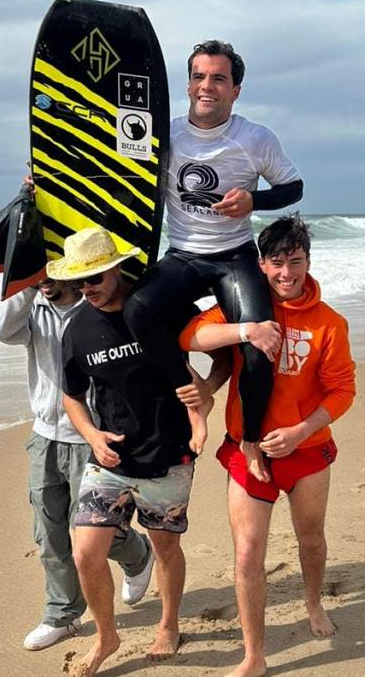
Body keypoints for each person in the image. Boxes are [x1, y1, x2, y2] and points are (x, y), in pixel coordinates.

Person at [179, 215, 356, 677]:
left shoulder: (330, 324)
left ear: (308, 262)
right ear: (260, 265)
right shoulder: (244, 305)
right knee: (246, 553)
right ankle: (253, 654)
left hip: (306, 452)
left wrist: (299, 431)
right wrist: (244, 331)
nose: (286, 273)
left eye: (295, 262)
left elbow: (343, 390)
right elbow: (189, 335)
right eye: (276, 263)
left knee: (311, 538)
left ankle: (313, 603)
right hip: (247, 452)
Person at [53, 227, 229, 676]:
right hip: (109, 459)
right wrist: (92, 436)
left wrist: (205, 390)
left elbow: (227, 349)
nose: (85, 290)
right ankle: (106, 635)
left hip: (169, 453)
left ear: (114, 268)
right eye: (78, 283)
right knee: (85, 553)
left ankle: (169, 625)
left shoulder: (161, 307)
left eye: (93, 279)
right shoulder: (76, 327)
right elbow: (71, 395)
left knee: (165, 547)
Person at [122, 39, 304, 468]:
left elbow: (293, 188)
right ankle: (194, 395)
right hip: (183, 255)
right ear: (187, 85)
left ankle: (250, 440)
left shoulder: (255, 138)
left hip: (234, 257)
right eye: (199, 76)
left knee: (261, 351)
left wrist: (253, 202)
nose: (208, 86)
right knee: (137, 312)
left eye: (219, 78)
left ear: (235, 89)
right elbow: (111, 175)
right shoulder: (162, 136)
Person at [0, 276, 155, 651]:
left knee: (91, 531)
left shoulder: (97, 304)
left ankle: (137, 553)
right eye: (39, 272)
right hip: (44, 435)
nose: (46, 280)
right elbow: (1, 330)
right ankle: (62, 615)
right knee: (48, 532)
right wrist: (29, 287)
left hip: (91, 435)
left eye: (52, 273)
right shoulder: (34, 310)